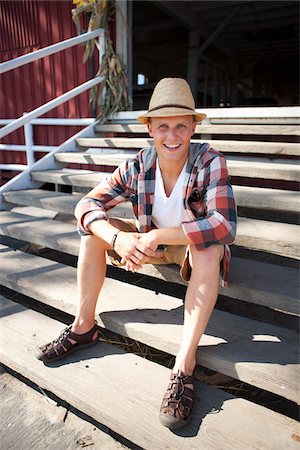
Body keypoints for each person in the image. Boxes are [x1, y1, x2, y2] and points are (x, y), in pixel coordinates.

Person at [36, 78, 237, 430]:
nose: (171, 135)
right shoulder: (137, 165)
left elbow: (223, 226)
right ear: (149, 128)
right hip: (149, 242)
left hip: (186, 247)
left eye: (180, 125)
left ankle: (183, 366)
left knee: (211, 249)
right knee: (92, 233)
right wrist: (117, 238)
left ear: (193, 127)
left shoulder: (210, 161)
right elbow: (87, 204)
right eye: (162, 126)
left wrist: (160, 234)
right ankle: (83, 328)